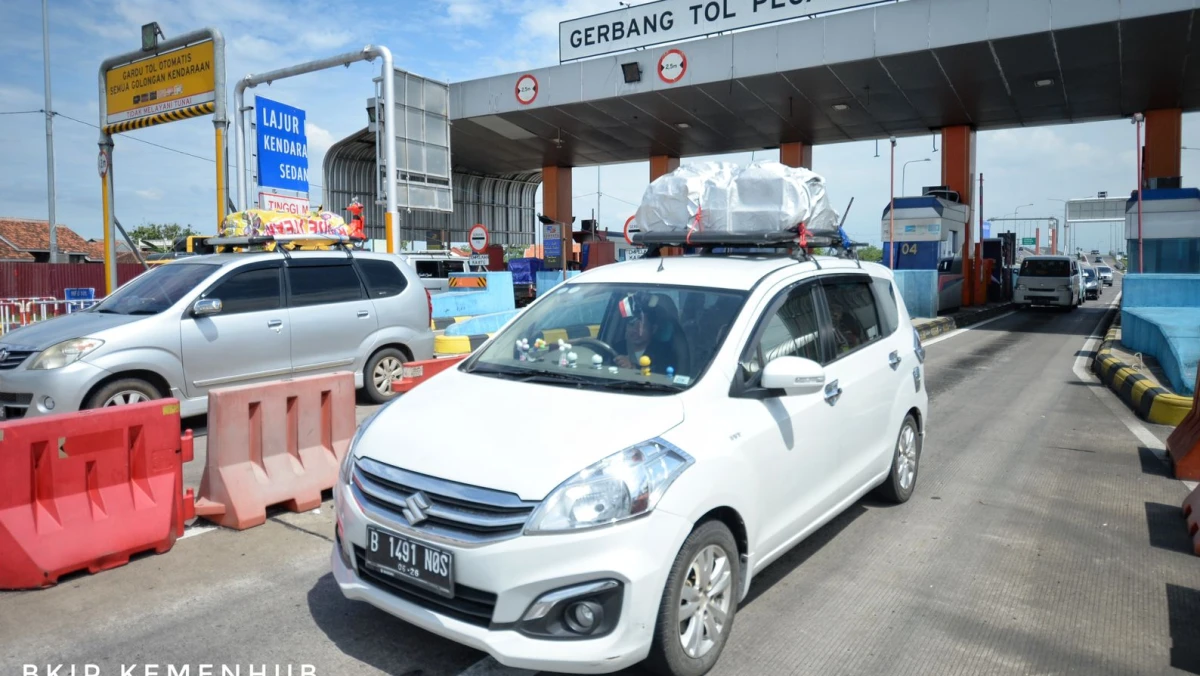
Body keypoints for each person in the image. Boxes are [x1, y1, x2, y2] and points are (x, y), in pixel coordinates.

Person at [612, 294, 687, 374]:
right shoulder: (616, 348)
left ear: (653, 329)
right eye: (631, 324)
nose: (635, 330)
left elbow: (662, 377)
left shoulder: (664, 353)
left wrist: (633, 367)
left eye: (642, 326)